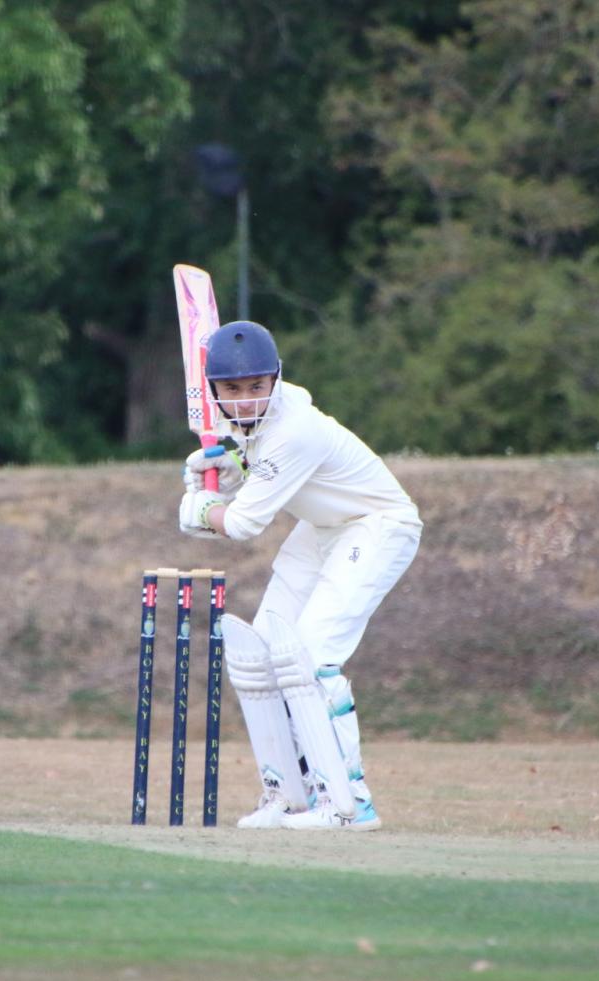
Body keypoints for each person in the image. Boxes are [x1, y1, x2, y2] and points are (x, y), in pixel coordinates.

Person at [179, 321, 422, 831]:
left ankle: (349, 803)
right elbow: (257, 480)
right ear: (214, 390)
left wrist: (202, 509)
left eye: (256, 387)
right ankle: (288, 794)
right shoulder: (239, 428)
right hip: (322, 528)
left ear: (276, 380)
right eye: (232, 390)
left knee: (310, 656)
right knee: (262, 652)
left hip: (376, 525)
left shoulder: (296, 428)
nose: (245, 400)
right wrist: (231, 476)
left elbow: (243, 522)